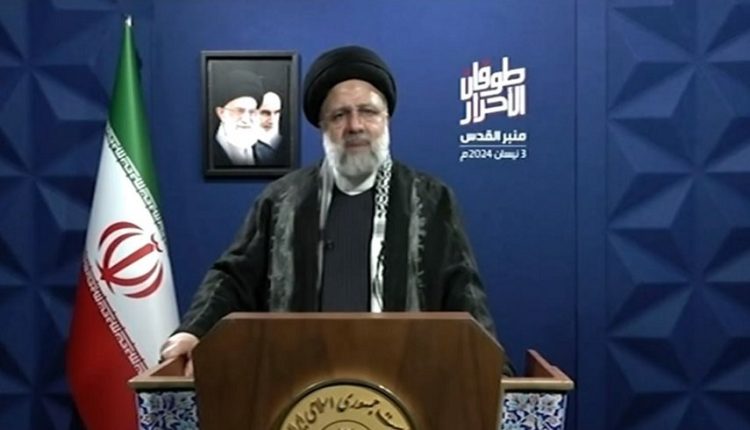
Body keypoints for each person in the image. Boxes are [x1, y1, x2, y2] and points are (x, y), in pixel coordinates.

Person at [163, 45, 513, 376]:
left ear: (387, 119)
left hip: (403, 379)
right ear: (322, 126)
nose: (355, 126)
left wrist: (492, 369)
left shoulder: (431, 198)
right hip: (298, 379)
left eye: (368, 112)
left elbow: (463, 290)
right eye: (339, 115)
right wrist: (195, 331)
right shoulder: (282, 199)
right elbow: (234, 277)